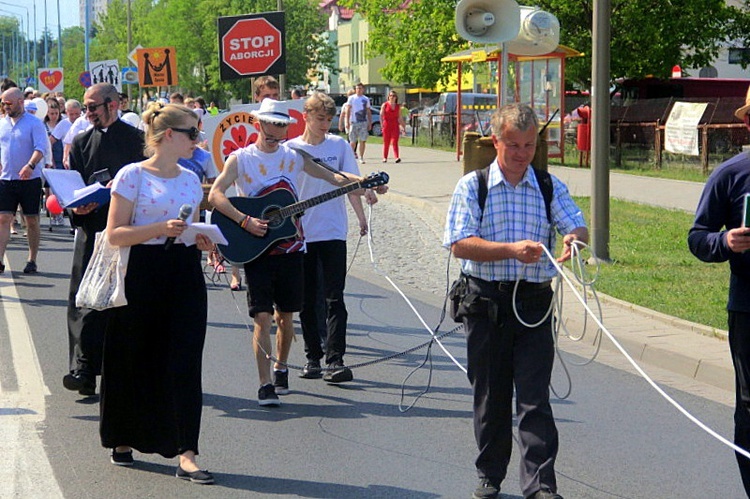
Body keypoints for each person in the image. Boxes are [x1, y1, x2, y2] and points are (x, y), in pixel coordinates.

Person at [443, 103, 588, 499]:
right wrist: (510, 249)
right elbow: (460, 244)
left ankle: (540, 485)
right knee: (491, 395)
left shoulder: (547, 185)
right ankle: (490, 474)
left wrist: (573, 237)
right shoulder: (474, 185)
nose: (522, 153)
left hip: (534, 304)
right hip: (486, 301)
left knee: (534, 396)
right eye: (514, 145)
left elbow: (576, 221)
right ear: (496, 142)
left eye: (529, 144)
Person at [208, 98, 378, 406]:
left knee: (285, 316)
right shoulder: (241, 159)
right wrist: (244, 220)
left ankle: (281, 366)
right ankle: (264, 385)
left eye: (281, 126)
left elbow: (333, 177)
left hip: (291, 248)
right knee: (262, 317)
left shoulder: (294, 156)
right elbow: (217, 195)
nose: (275, 131)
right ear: (258, 124)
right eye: (270, 124)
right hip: (257, 248)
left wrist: (364, 182)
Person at [101, 103, 213, 483]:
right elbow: (115, 234)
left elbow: (192, 227)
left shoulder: (190, 178)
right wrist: (157, 229)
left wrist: (202, 240)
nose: (198, 142)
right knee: (134, 356)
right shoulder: (132, 175)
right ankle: (123, 437)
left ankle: (187, 452)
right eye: (192, 134)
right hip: (141, 272)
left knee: (185, 360)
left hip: (183, 272)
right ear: (169, 136)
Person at [62, 83, 146, 398]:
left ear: (112, 104)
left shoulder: (136, 141)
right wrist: (77, 206)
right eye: (85, 108)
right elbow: (75, 186)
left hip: (127, 229)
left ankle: (125, 369)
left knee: (123, 301)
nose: (87, 114)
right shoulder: (82, 142)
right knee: (83, 299)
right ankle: (82, 370)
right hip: (91, 227)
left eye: (92, 107)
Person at [288, 92, 378, 383]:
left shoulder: (338, 146)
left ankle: (335, 359)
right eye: (319, 119)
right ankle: (312, 357)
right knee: (307, 298)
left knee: (334, 297)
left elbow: (349, 182)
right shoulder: (291, 150)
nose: (325, 124)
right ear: (306, 116)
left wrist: (365, 200)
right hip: (302, 234)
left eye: (328, 119)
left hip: (332, 231)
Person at [688, 89, 750, 496]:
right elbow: (697, 237)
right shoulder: (731, 174)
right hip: (749, 310)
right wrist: (725, 242)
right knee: (749, 410)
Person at [0, 87, 49, 274]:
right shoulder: (2, 123)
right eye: (3, 103)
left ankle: (32, 259)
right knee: (4, 218)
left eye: (9, 103)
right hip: (6, 179)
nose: (5, 107)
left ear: (21, 102)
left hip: (29, 179)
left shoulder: (34, 123)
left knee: (31, 220)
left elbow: (41, 148)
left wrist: (30, 165)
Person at [343, 83, 372, 162]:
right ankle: (350, 156)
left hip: (363, 122)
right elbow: (348, 110)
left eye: (360, 88)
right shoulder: (352, 98)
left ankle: (361, 157)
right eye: (357, 88)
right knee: (352, 141)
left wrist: (370, 122)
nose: (358, 90)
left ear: (363, 89)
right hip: (353, 122)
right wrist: (347, 122)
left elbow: (368, 111)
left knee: (362, 140)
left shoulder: (366, 99)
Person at [380, 91, 405, 163]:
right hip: (387, 125)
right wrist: (382, 125)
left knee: (395, 141)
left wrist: (403, 126)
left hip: (395, 125)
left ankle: (396, 157)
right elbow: (381, 116)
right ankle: (385, 157)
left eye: (394, 96)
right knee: (386, 142)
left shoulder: (398, 107)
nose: (392, 97)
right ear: (388, 97)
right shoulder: (385, 105)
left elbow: (399, 117)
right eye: (391, 95)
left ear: (396, 97)